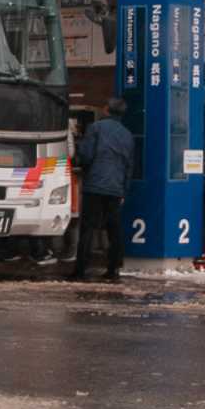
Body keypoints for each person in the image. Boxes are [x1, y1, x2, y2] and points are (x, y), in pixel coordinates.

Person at [71, 96, 135, 281]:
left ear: (107, 109)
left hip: (95, 185)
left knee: (88, 229)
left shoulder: (96, 128)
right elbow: (129, 165)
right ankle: (113, 270)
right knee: (114, 230)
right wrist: (124, 189)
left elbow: (86, 154)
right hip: (115, 188)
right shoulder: (127, 134)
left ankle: (81, 270)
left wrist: (80, 163)